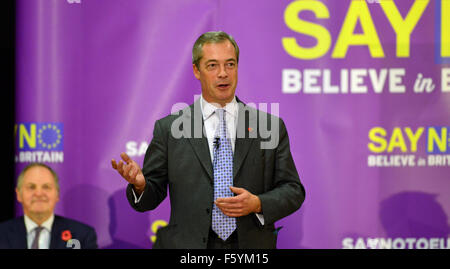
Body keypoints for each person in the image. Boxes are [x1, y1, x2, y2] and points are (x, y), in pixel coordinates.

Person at [111, 31, 305, 249]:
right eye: (212, 65)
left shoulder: (268, 126)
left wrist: (258, 203)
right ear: (197, 70)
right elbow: (150, 197)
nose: (223, 73)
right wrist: (141, 186)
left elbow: (293, 190)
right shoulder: (170, 129)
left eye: (230, 64)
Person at [0, 163, 98, 249]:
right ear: (19, 194)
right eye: (31, 187)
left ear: (57, 194)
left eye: (46, 187)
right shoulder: (2, 234)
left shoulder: (81, 236)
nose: (38, 193)